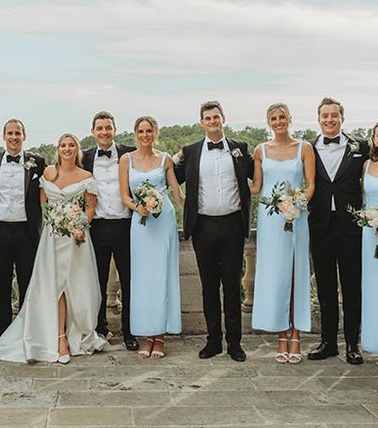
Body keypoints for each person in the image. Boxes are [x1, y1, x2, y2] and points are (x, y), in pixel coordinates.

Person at [0, 133, 109, 364]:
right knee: (54, 287)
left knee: (75, 287)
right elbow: (41, 203)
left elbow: (90, 209)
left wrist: (79, 226)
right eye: (63, 145)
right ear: (58, 149)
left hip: (76, 240)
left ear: (77, 150)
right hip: (52, 238)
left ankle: (76, 332)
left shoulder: (86, 176)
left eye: (71, 145)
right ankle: (59, 339)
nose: (67, 149)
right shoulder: (47, 173)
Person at [174, 101, 253, 362]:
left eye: (216, 117)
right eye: (207, 118)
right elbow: (169, 175)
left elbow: (259, 172)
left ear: (223, 119)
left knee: (232, 286)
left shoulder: (240, 149)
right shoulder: (192, 151)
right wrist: (173, 160)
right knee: (209, 286)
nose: (212, 121)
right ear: (201, 122)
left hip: (232, 224)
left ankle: (234, 343)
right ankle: (213, 341)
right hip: (203, 226)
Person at [250, 104, 315, 363]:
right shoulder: (260, 150)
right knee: (275, 274)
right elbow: (256, 187)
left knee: (296, 272)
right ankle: (280, 334)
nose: (278, 122)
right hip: (269, 222)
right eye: (273, 118)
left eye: (282, 117)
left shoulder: (304, 148)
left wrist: (296, 205)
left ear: (290, 119)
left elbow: (311, 185)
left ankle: (296, 334)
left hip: (296, 218)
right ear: (268, 122)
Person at [307, 97, 369, 365]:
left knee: (352, 287)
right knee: (325, 288)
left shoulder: (361, 147)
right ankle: (328, 342)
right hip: (320, 226)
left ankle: (352, 344)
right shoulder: (308, 148)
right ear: (318, 119)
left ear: (342, 118)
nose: (329, 120)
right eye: (324, 116)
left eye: (334, 115)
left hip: (351, 227)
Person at [119, 116, 184, 359]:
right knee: (143, 279)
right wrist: (138, 208)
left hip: (164, 221)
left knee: (162, 275)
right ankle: (148, 334)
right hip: (141, 223)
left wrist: (195, 211)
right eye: (141, 131)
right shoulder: (126, 160)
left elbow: (176, 192)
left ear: (155, 133)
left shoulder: (165, 159)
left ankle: (161, 336)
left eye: (149, 131)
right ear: (136, 134)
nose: (145, 135)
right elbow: (124, 195)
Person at [81, 111, 138, 350]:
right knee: (98, 280)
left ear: (115, 129)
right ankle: (100, 329)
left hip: (127, 225)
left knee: (129, 280)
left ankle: (130, 331)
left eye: (108, 127)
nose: (104, 132)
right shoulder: (84, 157)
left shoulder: (129, 154)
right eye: (100, 128)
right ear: (93, 132)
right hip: (98, 226)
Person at [0, 119, 46, 336]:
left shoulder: (37, 161)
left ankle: (26, 332)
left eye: (18, 133)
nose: (14, 137)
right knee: (0, 285)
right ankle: (3, 334)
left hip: (26, 232)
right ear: (3, 136)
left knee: (27, 284)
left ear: (24, 136)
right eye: (10, 133)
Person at [361, 120, 378, 366]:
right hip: (370, 235)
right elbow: (363, 199)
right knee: (375, 289)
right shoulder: (366, 165)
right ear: (373, 138)